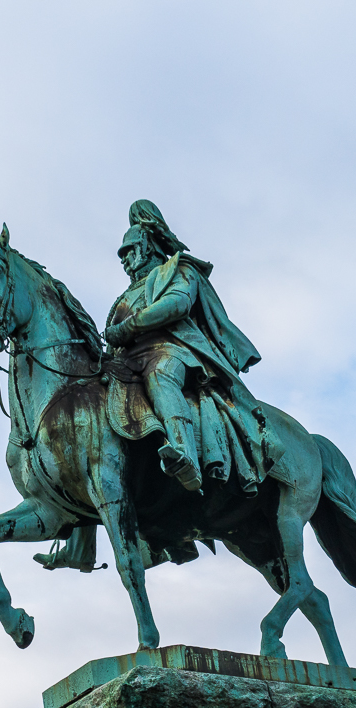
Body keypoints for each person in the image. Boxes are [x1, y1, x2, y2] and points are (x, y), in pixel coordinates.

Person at [104, 199, 263, 490]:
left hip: (172, 350)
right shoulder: (127, 293)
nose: (124, 260)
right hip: (127, 360)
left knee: (160, 375)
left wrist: (128, 326)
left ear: (147, 246)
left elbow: (177, 304)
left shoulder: (179, 269)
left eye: (128, 252)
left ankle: (185, 454)